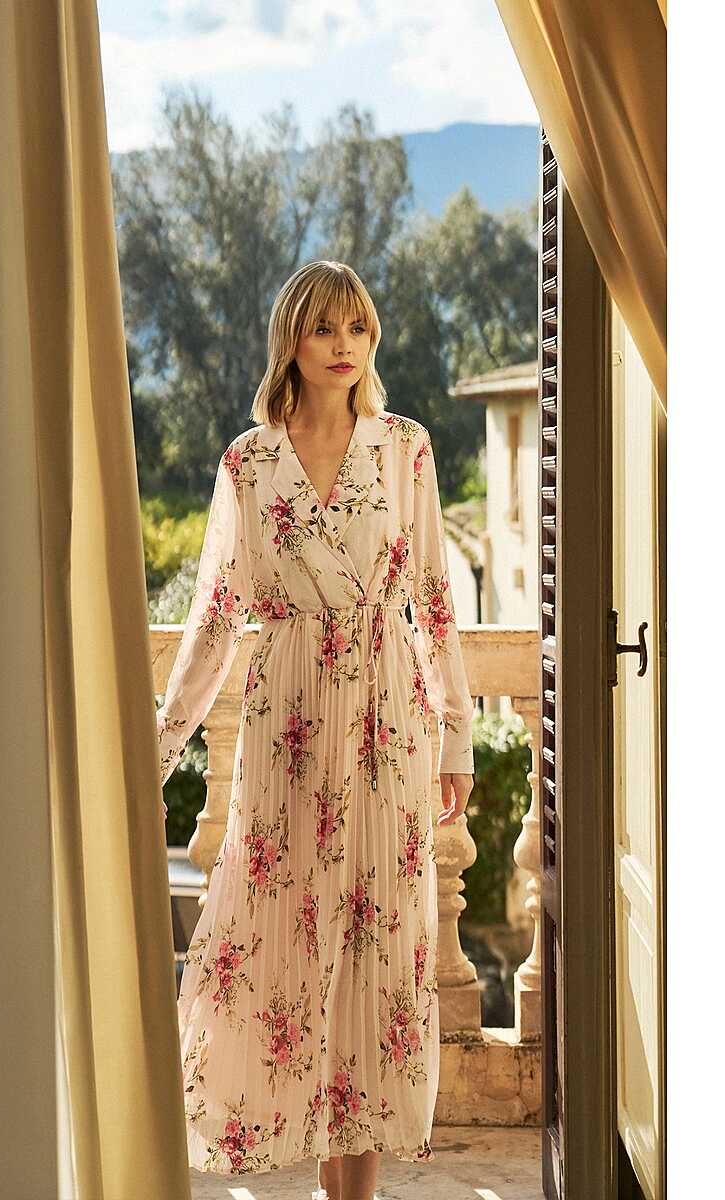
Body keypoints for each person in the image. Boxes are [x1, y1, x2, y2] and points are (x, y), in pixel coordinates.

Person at [156, 260, 476, 1200]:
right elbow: (216, 615)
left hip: (387, 719)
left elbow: (432, 598)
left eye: (359, 327)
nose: (345, 346)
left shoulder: (405, 449)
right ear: (290, 341)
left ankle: (355, 1195)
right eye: (325, 328)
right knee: (277, 937)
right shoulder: (250, 464)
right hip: (289, 720)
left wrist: (455, 735)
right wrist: (159, 747)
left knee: (377, 948)